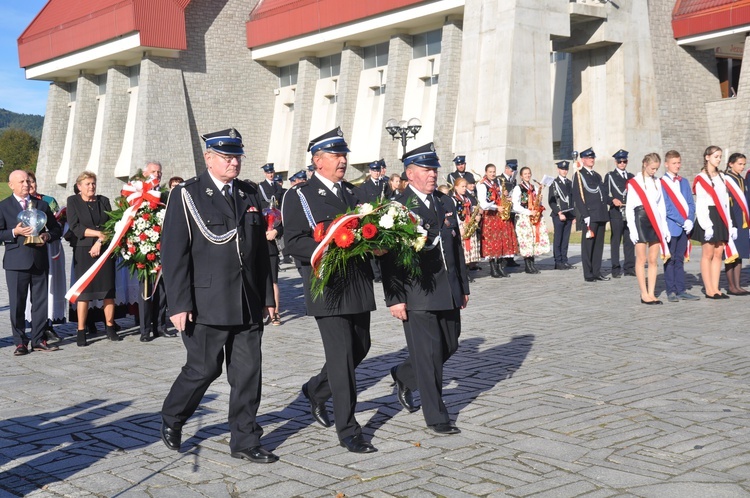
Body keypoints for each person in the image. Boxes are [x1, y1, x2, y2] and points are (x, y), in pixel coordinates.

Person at [160, 128, 278, 463]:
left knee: (247, 373)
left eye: (237, 156)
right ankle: (174, 415)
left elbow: (260, 252)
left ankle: (245, 439)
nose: (234, 162)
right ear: (209, 158)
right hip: (207, 302)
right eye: (227, 157)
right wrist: (179, 303)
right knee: (203, 369)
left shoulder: (249, 193)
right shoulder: (188, 194)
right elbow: (174, 254)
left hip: (247, 300)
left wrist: (268, 294)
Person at [282, 127, 377, 454]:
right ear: (317, 160)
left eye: (344, 155)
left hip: (358, 283)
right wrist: (330, 242)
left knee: (360, 346)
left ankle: (316, 390)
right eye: (337, 156)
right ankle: (348, 428)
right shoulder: (300, 195)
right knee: (340, 357)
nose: (343, 160)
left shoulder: (353, 193)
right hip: (327, 284)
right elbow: (293, 241)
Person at [382, 142, 470, 435]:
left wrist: (463, 286)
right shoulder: (398, 207)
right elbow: (390, 259)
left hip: (448, 289)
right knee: (430, 357)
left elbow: (455, 246)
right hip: (417, 293)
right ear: (410, 172)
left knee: (451, 343)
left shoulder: (444, 202)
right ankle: (437, 416)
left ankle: (405, 374)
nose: (433, 174)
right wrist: (394, 298)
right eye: (426, 169)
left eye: (434, 169)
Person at [0, 170, 62, 355]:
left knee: (41, 303)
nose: (26, 184)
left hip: (39, 260)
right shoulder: (3, 206)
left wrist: (47, 235)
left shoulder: (42, 205)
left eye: (27, 181)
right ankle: (20, 342)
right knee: (17, 304)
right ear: (11, 185)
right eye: (21, 182)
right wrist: (14, 232)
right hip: (16, 262)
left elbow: (56, 229)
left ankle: (38, 339)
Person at [67, 171, 121, 344]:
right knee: (84, 293)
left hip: (104, 250)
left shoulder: (103, 200)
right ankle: (81, 330)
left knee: (108, 291)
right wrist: (97, 234)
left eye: (93, 183)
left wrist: (99, 240)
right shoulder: (73, 201)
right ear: (79, 187)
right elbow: (76, 227)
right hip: (83, 251)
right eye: (88, 184)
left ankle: (110, 327)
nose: (91, 187)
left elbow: (111, 224)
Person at [625, 153, 670, 305]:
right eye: (652, 168)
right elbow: (630, 207)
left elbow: (661, 206)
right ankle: (643, 293)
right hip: (640, 218)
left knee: (653, 259)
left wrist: (664, 228)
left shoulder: (658, 182)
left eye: (656, 169)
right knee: (641, 258)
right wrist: (632, 229)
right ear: (645, 164)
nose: (654, 171)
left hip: (655, 220)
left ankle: (652, 292)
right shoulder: (634, 182)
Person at [692, 145, 735, 299]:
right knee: (708, 253)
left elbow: (725, 202)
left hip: (720, 215)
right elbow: (701, 203)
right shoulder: (701, 178)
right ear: (707, 157)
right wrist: (706, 225)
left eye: (720, 156)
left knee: (718, 253)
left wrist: (730, 222)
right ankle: (709, 289)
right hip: (708, 216)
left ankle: (716, 288)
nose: (718, 159)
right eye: (716, 156)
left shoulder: (722, 177)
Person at [25, 171, 64, 341]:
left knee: (51, 286)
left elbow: (58, 225)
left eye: (32, 182)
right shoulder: (21, 204)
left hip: (49, 246)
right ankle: (33, 324)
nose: (30, 185)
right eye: (27, 182)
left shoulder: (47, 201)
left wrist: (48, 234)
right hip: (27, 251)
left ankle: (49, 323)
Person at [137, 161, 173, 342]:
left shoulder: (166, 196)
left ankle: (160, 326)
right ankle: (145, 330)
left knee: (163, 291)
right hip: (145, 250)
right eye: (153, 172)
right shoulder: (138, 194)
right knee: (146, 291)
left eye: (159, 172)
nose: (157, 175)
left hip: (163, 250)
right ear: (145, 174)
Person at [660, 150, 700, 302]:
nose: (677, 166)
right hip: (671, 227)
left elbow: (691, 203)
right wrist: (682, 221)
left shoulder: (683, 182)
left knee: (680, 259)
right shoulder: (662, 183)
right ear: (666, 164)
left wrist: (690, 219)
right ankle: (671, 290)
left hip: (685, 227)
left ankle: (681, 289)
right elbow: (667, 206)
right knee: (669, 260)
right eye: (674, 163)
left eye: (679, 162)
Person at [573, 147, 610, 282]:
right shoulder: (579, 175)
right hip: (590, 215)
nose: (591, 160)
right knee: (588, 246)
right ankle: (588, 274)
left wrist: (612, 201)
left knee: (598, 246)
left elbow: (603, 195)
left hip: (601, 214)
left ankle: (596, 271)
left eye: (593, 157)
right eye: (589, 158)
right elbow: (578, 197)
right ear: (583, 160)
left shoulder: (596, 175)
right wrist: (585, 214)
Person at [477, 163, 517, 277]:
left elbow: (499, 197)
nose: (493, 174)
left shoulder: (498, 182)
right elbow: (483, 204)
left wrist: (504, 195)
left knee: (501, 241)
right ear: (486, 172)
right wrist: (496, 207)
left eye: (494, 171)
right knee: (491, 242)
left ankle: (500, 266)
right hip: (490, 216)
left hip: (499, 215)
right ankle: (492, 268)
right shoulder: (482, 185)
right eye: (490, 172)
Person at [511, 166, 550, 274]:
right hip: (524, 218)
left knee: (533, 241)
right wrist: (528, 212)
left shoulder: (534, 187)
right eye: (525, 174)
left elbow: (537, 202)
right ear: (521, 176)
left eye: (529, 173)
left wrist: (539, 203)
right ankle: (527, 265)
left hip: (533, 217)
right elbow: (515, 206)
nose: (527, 175)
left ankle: (532, 264)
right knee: (526, 241)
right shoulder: (518, 188)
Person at [605, 149, 636, 278]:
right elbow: (605, 194)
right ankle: (615, 268)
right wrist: (612, 200)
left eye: (624, 161)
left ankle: (629, 267)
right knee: (616, 240)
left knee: (629, 241)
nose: (622, 163)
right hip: (616, 212)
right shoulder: (610, 176)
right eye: (620, 161)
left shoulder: (631, 177)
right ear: (615, 162)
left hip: (628, 212)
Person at [723, 152, 749, 295]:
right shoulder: (727, 179)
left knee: (739, 254)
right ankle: (731, 285)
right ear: (731, 164)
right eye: (739, 164)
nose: (742, 167)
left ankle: (738, 285)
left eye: (744, 164)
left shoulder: (742, 180)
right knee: (730, 254)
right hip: (732, 219)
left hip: (743, 220)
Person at [548, 160, 576, 270]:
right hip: (558, 214)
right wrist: (559, 213)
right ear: (558, 169)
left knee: (565, 239)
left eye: (566, 169)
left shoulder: (569, 183)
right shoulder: (554, 183)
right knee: (558, 238)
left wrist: (573, 216)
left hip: (568, 214)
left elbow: (572, 200)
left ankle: (564, 260)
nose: (564, 171)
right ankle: (558, 261)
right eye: (562, 169)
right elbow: (551, 201)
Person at [452, 177, 482, 276]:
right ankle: (462, 273)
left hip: (469, 224)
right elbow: (455, 214)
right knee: (463, 250)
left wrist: (476, 215)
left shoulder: (467, 198)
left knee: (469, 251)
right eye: (462, 186)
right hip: (462, 225)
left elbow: (471, 210)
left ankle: (467, 271)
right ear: (456, 187)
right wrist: (460, 227)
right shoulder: (454, 199)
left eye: (465, 186)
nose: (464, 188)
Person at [500, 159, 520, 268]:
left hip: (511, 210)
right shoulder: (500, 179)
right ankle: (503, 258)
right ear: (506, 169)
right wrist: (505, 196)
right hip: (504, 210)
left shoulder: (514, 181)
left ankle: (510, 258)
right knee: (504, 235)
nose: (513, 173)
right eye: (512, 170)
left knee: (512, 235)